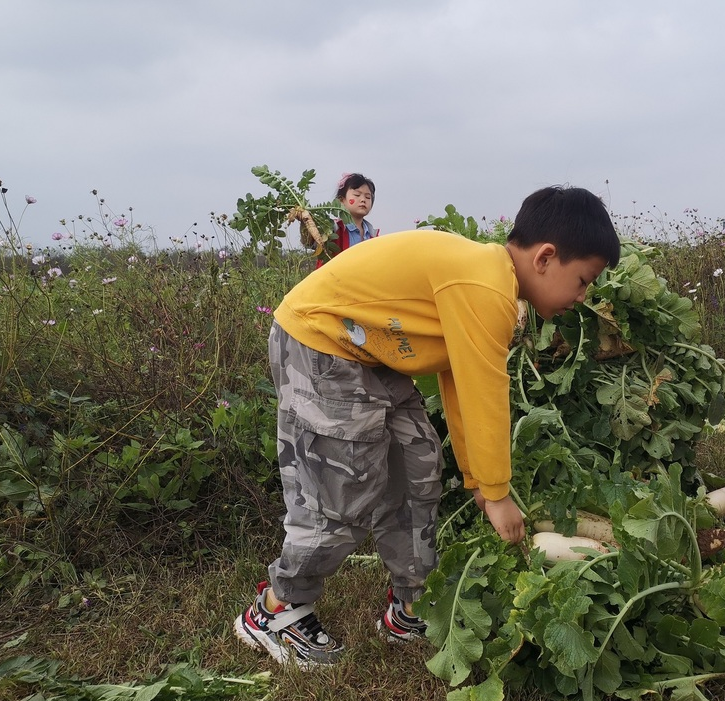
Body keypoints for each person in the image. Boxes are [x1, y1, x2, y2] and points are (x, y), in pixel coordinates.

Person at [235, 186, 621, 667]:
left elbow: (459, 385)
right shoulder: (487, 288)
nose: (582, 297)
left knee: (417, 464)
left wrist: (481, 483)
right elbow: (484, 395)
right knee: (344, 489)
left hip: (369, 352)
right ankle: (276, 609)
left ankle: (412, 605)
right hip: (320, 342)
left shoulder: (490, 280)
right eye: (583, 281)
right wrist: (498, 494)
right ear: (545, 257)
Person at [321, 172, 378, 262]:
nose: (363, 200)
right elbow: (312, 243)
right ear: (341, 200)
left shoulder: (373, 235)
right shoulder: (332, 228)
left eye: (368, 197)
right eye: (357, 195)